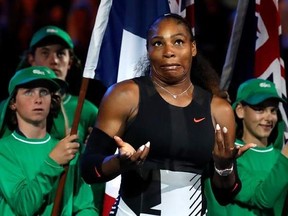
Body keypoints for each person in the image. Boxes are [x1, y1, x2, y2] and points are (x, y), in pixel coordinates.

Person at [80, 13, 251, 215]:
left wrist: (224, 167)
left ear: (193, 48)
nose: (168, 51)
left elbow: (225, 196)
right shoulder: (124, 96)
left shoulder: (218, 110)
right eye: (158, 43)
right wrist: (118, 163)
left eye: (178, 42)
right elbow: (89, 169)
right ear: (148, 49)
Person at [14, 25, 105, 213]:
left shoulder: (87, 111)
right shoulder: (10, 114)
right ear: (31, 58)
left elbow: (95, 168)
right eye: (45, 53)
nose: (53, 61)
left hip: (72, 200)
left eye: (61, 54)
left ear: (70, 61)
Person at [0, 66, 98, 215]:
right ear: (13, 103)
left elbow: (85, 206)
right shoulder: (3, 150)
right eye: (28, 92)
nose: (38, 99)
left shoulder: (67, 149)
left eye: (44, 92)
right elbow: (24, 206)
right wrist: (53, 162)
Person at [206, 78, 288, 215]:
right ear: (240, 110)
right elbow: (262, 199)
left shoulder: (279, 157)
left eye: (273, 110)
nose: (269, 117)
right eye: (260, 109)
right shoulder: (225, 151)